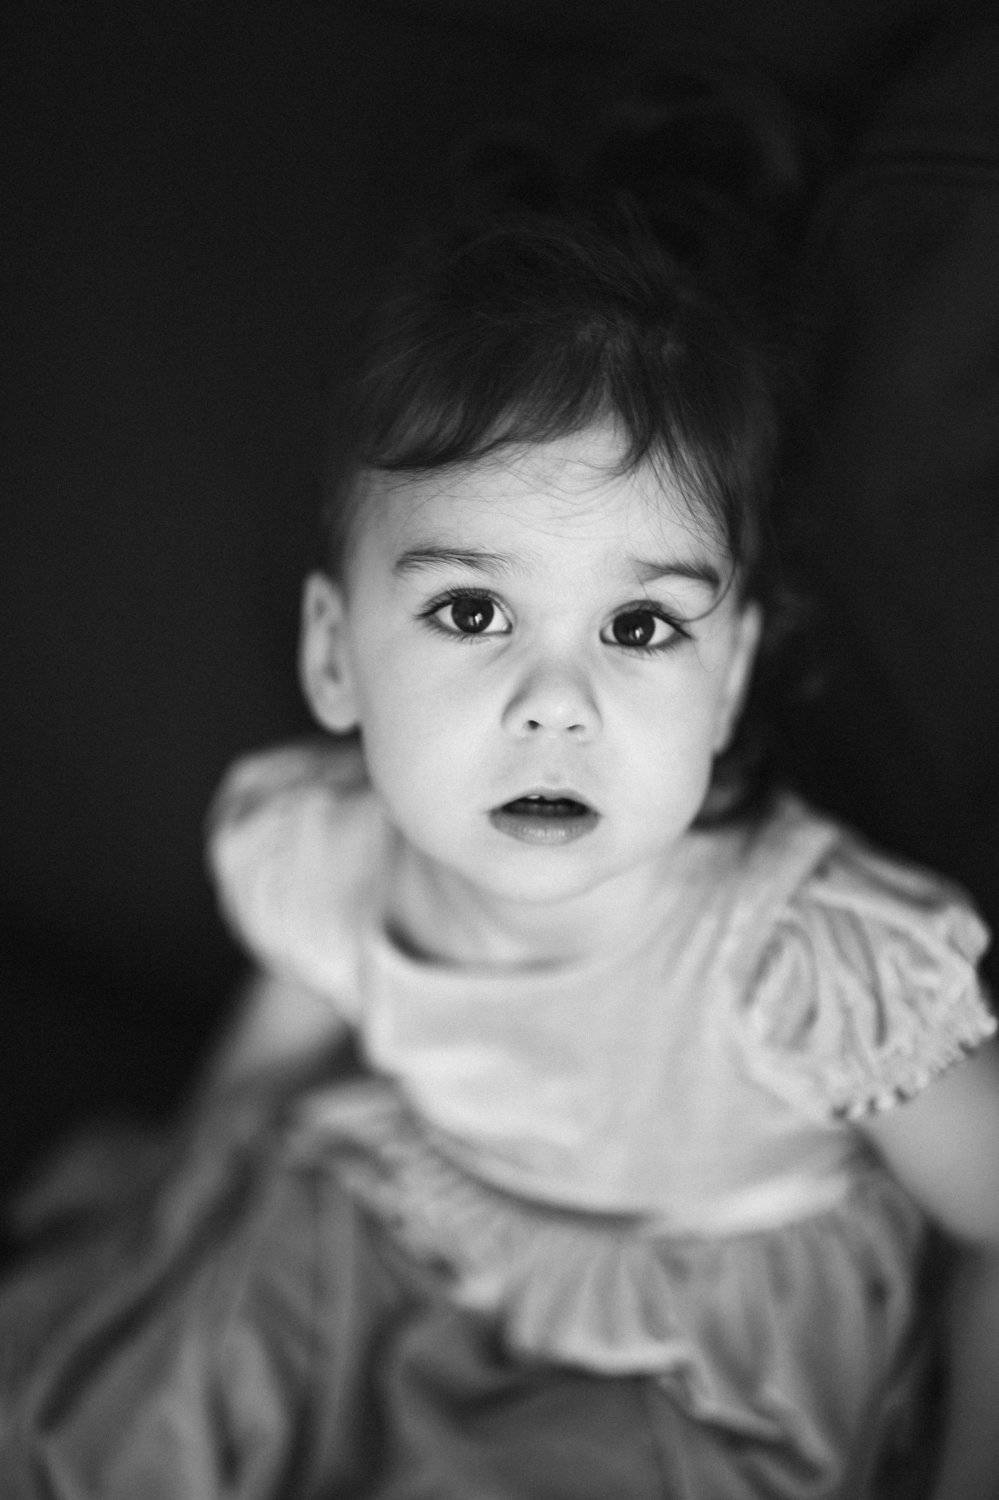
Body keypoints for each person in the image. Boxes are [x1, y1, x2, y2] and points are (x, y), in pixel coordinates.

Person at [3, 83, 999, 1500]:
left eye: (640, 627)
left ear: (729, 681)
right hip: (384, 1243)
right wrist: (163, 1244)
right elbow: (254, 1082)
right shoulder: (333, 850)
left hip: (675, 1364)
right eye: (472, 613)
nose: (556, 702)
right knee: (141, 1372)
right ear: (336, 659)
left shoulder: (800, 959)